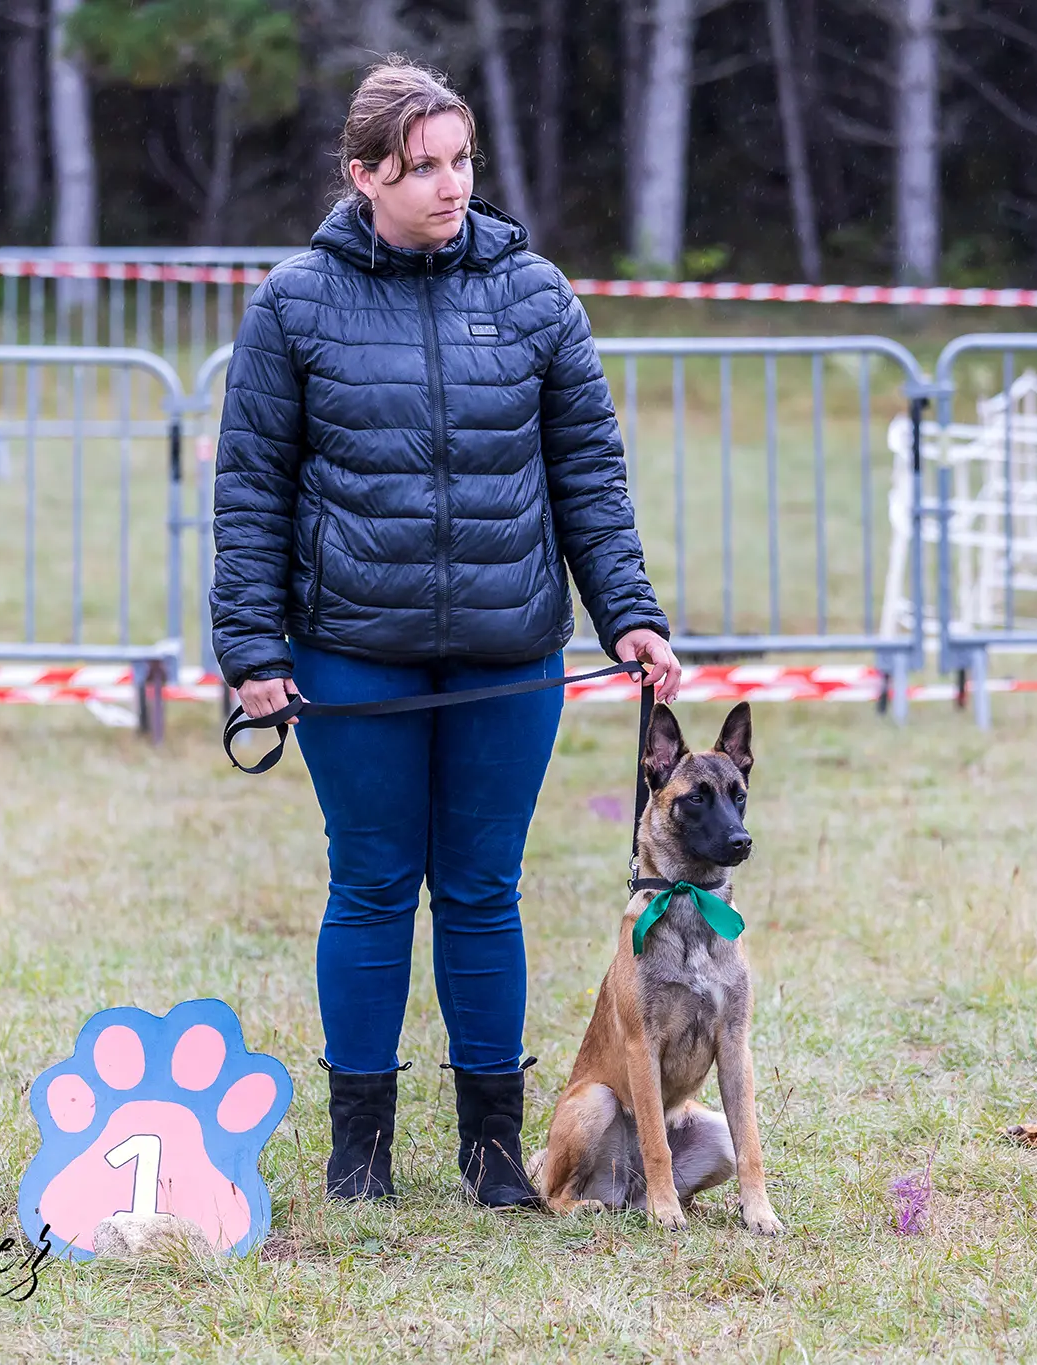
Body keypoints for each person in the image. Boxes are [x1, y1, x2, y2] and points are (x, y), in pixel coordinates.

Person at [209, 57, 681, 1210]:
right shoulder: (294, 305)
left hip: (506, 654)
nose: (448, 184)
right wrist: (253, 652)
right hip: (349, 654)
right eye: (420, 166)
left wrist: (627, 611)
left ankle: (490, 1149)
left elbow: (588, 477)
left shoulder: (533, 296)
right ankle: (357, 1148)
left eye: (460, 160)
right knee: (370, 885)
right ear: (362, 173)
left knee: (482, 890)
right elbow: (251, 490)